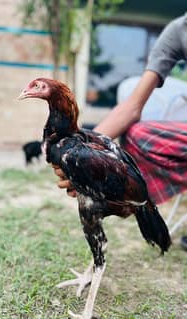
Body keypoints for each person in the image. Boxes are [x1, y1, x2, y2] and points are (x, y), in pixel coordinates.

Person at [52, 13, 187, 250]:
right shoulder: (179, 31)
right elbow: (132, 107)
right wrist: (82, 157)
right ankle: (136, 203)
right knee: (138, 134)